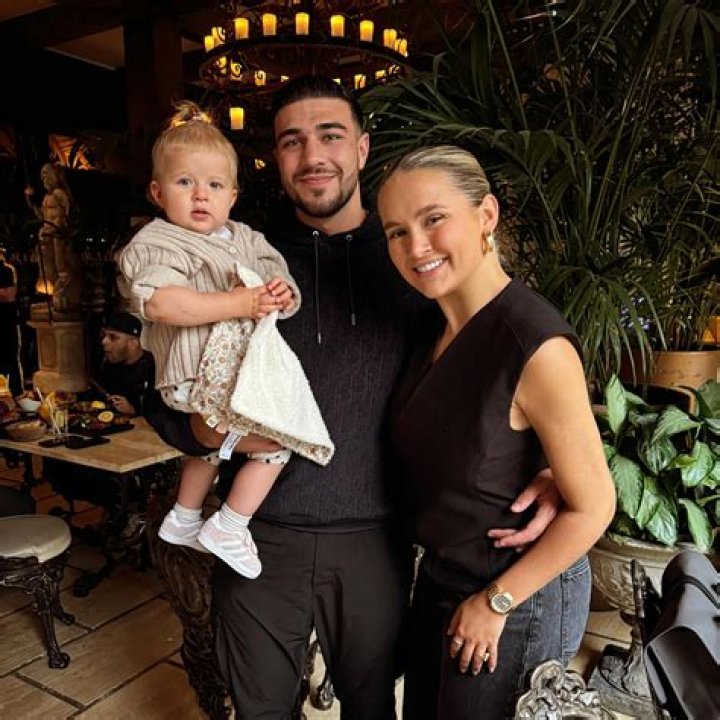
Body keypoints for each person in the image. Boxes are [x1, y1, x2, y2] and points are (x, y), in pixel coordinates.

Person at [205, 76, 566, 718]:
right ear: (275, 158)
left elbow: (500, 368)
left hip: (377, 540)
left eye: (331, 135)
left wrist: (548, 464)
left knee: (373, 708)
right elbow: (168, 371)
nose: (313, 156)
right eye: (292, 141)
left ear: (362, 148)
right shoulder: (240, 258)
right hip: (257, 533)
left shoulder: (417, 263)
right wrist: (198, 432)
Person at [376, 145, 616, 719]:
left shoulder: (534, 343)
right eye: (396, 232)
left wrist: (497, 602)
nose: (416, 246)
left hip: (517, 592)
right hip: (443, 576)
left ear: (486, 215)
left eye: (434, 219)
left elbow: (595, 506)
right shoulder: (429, 328)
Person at [118, 101, 333, 580]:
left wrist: (280, 292)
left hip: (231, 375)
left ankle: (184, 516)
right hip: (195, 375)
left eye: (215, 185)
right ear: (157, 192)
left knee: (211, 446)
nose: (201, 195)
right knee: (279, 441)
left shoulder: (245, 237)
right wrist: (240, 302)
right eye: (184, 182)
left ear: (233, 195)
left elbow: (276, 272)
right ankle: (231, 524)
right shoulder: (157, 242)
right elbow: (162, 304)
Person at [24, 163, 80, 313]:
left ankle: (63, 296)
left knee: (61, 267)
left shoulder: (60, 194)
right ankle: (57, 295)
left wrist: (62, 227)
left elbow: (69, 213)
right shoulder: (46, 197)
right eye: (42, 175)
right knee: (48, 269)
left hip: (57, 236)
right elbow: (42, 216)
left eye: (46, 174)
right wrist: (30, 199)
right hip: (46, 236)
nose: (43, 178)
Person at [97, 311, 155, 417]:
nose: (104, 342)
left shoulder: (153, 368)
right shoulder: (109, 364)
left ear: (133, 343)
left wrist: (134, 410)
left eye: (113, 337)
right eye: (103, 335)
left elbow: (162, 415)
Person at [0, 250, 22, 396]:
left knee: (10, 360)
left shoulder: (7, 270)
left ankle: (16, 394)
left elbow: (9, 295)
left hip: (6, 322)